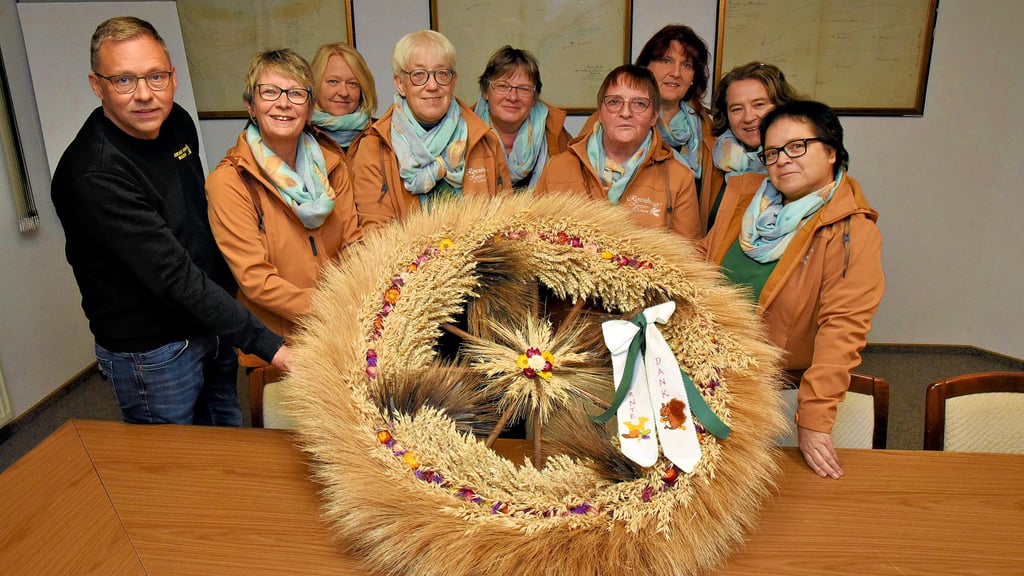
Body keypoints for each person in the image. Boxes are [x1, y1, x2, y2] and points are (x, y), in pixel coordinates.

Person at [50, 16, 290, 426]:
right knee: (172, 459)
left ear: (173, 77)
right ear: (97, 86)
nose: (145, 94)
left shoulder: (175, 121)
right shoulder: (94, 173)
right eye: (124, 80)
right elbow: (173, 275)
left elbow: (197, 216)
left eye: (155, 76)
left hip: (209, 321)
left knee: (226, 441)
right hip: (154, 352)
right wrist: (272, 347)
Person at [700, 100, 884, 479]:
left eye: (797, 146)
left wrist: (814, 419)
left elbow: (842, 329)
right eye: (772, 152)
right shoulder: (744, 199)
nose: (782, 159)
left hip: (775, 392)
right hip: (707, 375)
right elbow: (702, 261)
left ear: (831, 151)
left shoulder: (851, 230)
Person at [205, 49, 361, 395]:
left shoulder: (333, 165)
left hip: (344, 333)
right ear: (251, 106)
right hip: (279, 347)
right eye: (270, 92)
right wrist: (335, 307)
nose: (283, 103)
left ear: (309, 108)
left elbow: (354, 244)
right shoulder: (230, 182)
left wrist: (359, 302)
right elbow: (255, 280)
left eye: (295, 93)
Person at [350, 30, 510, 229]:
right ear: (400, 84)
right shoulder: (374, 148)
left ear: (453, 81)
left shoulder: (484, 140)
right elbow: (376, 234)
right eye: (419, 75)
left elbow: (507, 225)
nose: (432, 85)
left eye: (442, 74)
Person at [534, 65, 700, 239]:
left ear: (654, 116)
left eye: (639, 103)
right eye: (614, 102)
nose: (626, 113)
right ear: (600, 113)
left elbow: (688, 253)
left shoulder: (679, 178)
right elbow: (533, 240)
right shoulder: (557, 167)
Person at [703, 62, 801, 232]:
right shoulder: (712, 159)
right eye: (736, 109)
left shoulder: (802, 162)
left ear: (781, 106)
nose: (748, 117)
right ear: (726, 115)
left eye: (759, 105)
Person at [635, 24, 713, 200]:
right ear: (647, 67)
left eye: (686, 65)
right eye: (666, 61)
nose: (676, 73)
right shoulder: (615, 119)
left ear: (694, 77)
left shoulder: (709, 131)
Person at [474, 45, 570, 189]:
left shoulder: (556, 134)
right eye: (502, 86)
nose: (512, 97)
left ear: (534, 98)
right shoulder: (464, 132)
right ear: (486, 92)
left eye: (524, 89)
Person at [309, 42, 377, 157]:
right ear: (315, 83)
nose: (343, 92)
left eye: (352, 83)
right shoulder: (297, 138)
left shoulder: (382, 135)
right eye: (333, 81)